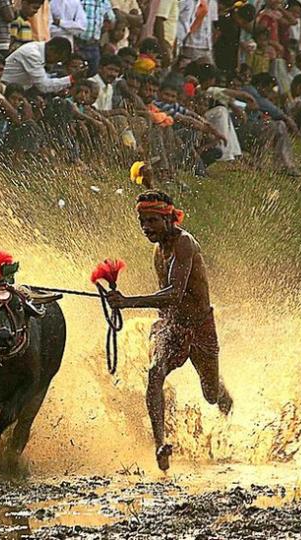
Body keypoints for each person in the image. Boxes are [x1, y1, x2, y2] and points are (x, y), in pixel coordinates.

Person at [104, 190, 233, 472]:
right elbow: (168, 302)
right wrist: (125, 303)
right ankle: (160, 444)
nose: (146, 228)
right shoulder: (157, 251)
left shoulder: (185, 244)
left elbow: (174, 293)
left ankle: (229, 417)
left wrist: (127, 303)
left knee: (211, 394)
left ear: (168, 219)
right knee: (155, 372)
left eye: (152, 221)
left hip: (200, 326)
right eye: (142, 222)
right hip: (171, 324)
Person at [1, 36, 75, 93]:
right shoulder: (32, 54)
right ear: (51, 49)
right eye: (58, 59)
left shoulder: (38, 51)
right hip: (3, 87)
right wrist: (71, 79)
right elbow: (43, 86)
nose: (55, 63)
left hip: (18, 89)